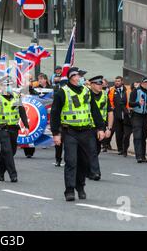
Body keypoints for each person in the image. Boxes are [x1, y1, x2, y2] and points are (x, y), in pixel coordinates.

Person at [50, 67, 106, 202]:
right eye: (80, 76)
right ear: (72, 77)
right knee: (71, 161)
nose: (82, 78)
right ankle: (69, 190)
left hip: (86, 131)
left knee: (84, 162)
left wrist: (100, 128)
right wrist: (56, 133)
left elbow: (94, 110)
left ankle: (80, 187)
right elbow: (55, 114)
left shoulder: (87, 91)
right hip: (70, 132)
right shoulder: (62, 92)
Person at [0, 77, 30, 183]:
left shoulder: (15, 97)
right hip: (1, 129)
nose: (8, 87)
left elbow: (21, 111)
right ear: (0, 87)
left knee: (12, 151)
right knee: (7, 151)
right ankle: (13, 175)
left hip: (13, 129)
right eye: (6, 85)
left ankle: (0, 170)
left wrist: (26, 126)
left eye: (10, 85)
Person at [88, 76, 114, 180]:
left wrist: (109, 128)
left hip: (101, 127)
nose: (100, 86)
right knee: (92, 150)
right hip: (89, 127)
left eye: (101, 84)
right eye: (98, 84)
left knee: (97, 149)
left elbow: (110, 112)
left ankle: (88, 169)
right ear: (92, 85)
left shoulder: (104, 95)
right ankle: (95, 173)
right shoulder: (86, 95)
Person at [108, 76, 132, 156]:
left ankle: (125, 149)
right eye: (116, 81)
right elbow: (109, 101)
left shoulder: (127, 90)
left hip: (126, 115)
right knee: (118, 133)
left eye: (118, 81)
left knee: (126, 134)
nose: (116, 82)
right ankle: (120, 149)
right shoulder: (112, 90)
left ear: (122, 81)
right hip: (116, 115)